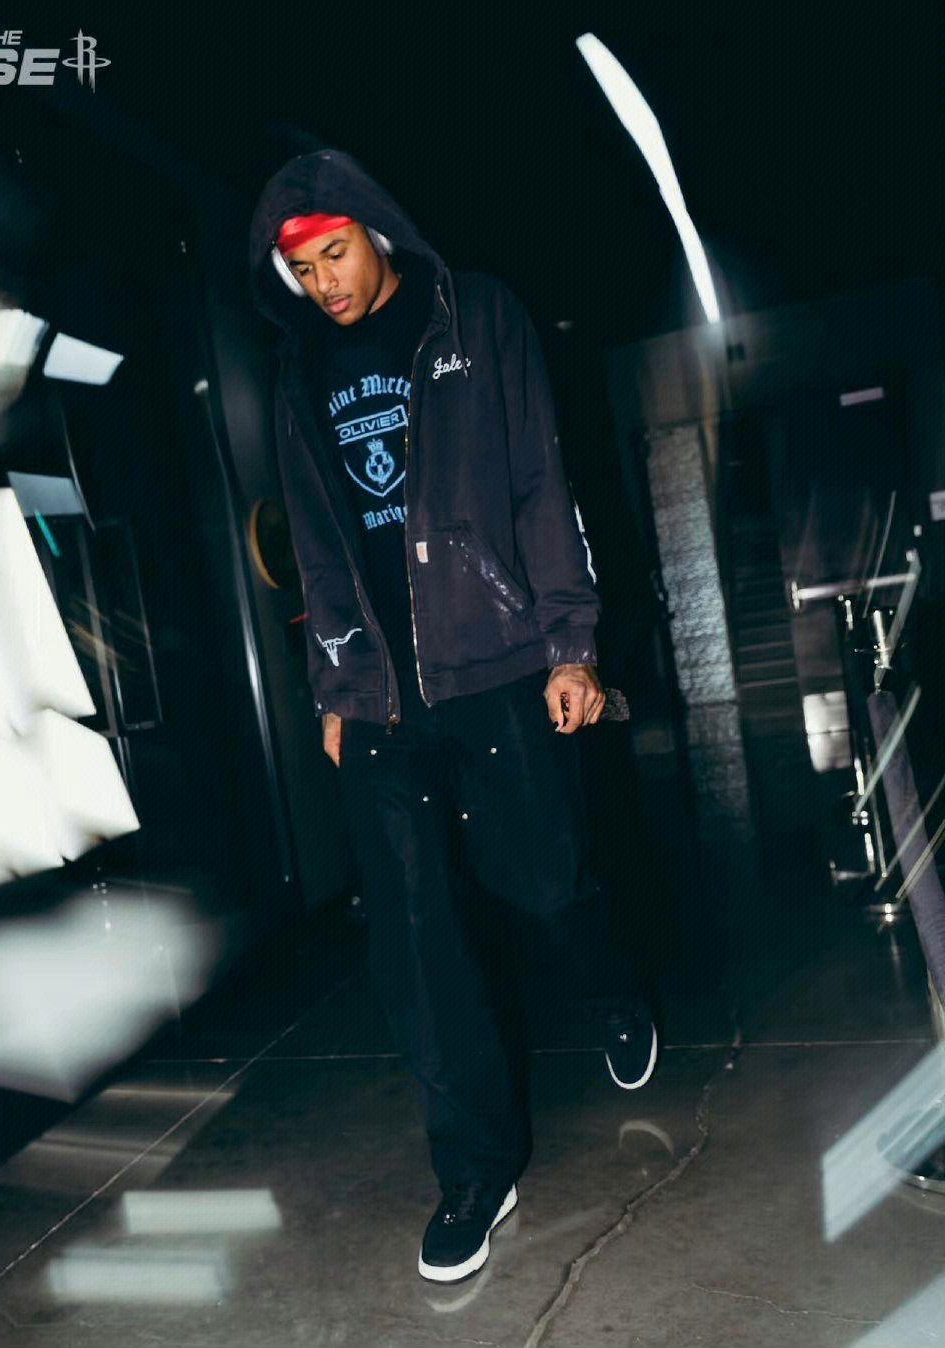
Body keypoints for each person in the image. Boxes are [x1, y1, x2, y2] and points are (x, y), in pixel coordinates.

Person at [249, 148, 657, 1283]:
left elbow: (541, 483)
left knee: (545, 880)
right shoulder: (299, 372)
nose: (325, 284)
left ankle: (612, 988)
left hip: (495, 664)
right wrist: (335, 687)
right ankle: (476, 1170)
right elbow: (317, 546)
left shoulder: (473, 315)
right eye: (302, 270)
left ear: (375, 232)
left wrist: (570, 644)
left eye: (336, 255)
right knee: (415, 935)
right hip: (384, 697)